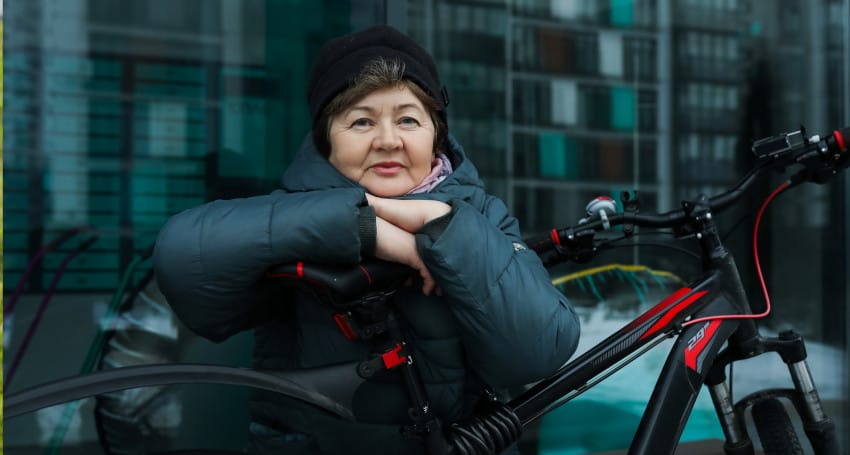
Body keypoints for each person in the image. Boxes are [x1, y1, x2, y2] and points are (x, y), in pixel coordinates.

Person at [154, 25, 580, 455]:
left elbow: (539, 353)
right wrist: (363, 227)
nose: (388, 140)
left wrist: (442, 223)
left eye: (408, 119)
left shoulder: (484, 213)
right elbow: (182, 259)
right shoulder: (288, 214)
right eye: (361, 121)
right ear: (326, 139)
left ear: (436, 133)